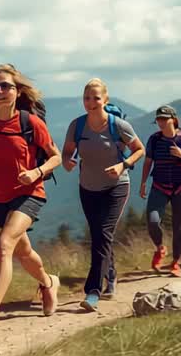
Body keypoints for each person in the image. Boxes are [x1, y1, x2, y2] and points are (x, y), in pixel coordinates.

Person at [0, 64, 63, 339]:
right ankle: (48, 282)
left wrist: (36, 172)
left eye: (5, 86)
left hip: (29, 193)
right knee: (22, 252)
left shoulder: (30, 123)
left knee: (4, 244)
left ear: (17, 91)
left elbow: (55, 156)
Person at [61, 78, 144, 311]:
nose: (91, 102)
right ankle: (112, 275)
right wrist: (68, 162)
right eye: (87, 98)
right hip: (88, 188)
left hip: (116, 186)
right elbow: (67, 153)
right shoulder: (77, 126)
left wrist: (123, 165)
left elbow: (140, 149)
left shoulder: (118, 126)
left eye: (96, 98)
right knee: (99, 235)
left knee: (103, 233)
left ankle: (93, 292)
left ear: (105, 100)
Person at [139, 105, 181, 277]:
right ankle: (160, 248)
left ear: (173, 119)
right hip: (159, 185)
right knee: (152, 220)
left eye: (164, 119)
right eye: (158, 119)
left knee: (178, 225)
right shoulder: (154, 140)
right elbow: (148, 162)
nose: (161, 122)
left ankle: (175, 263)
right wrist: (143, 182)